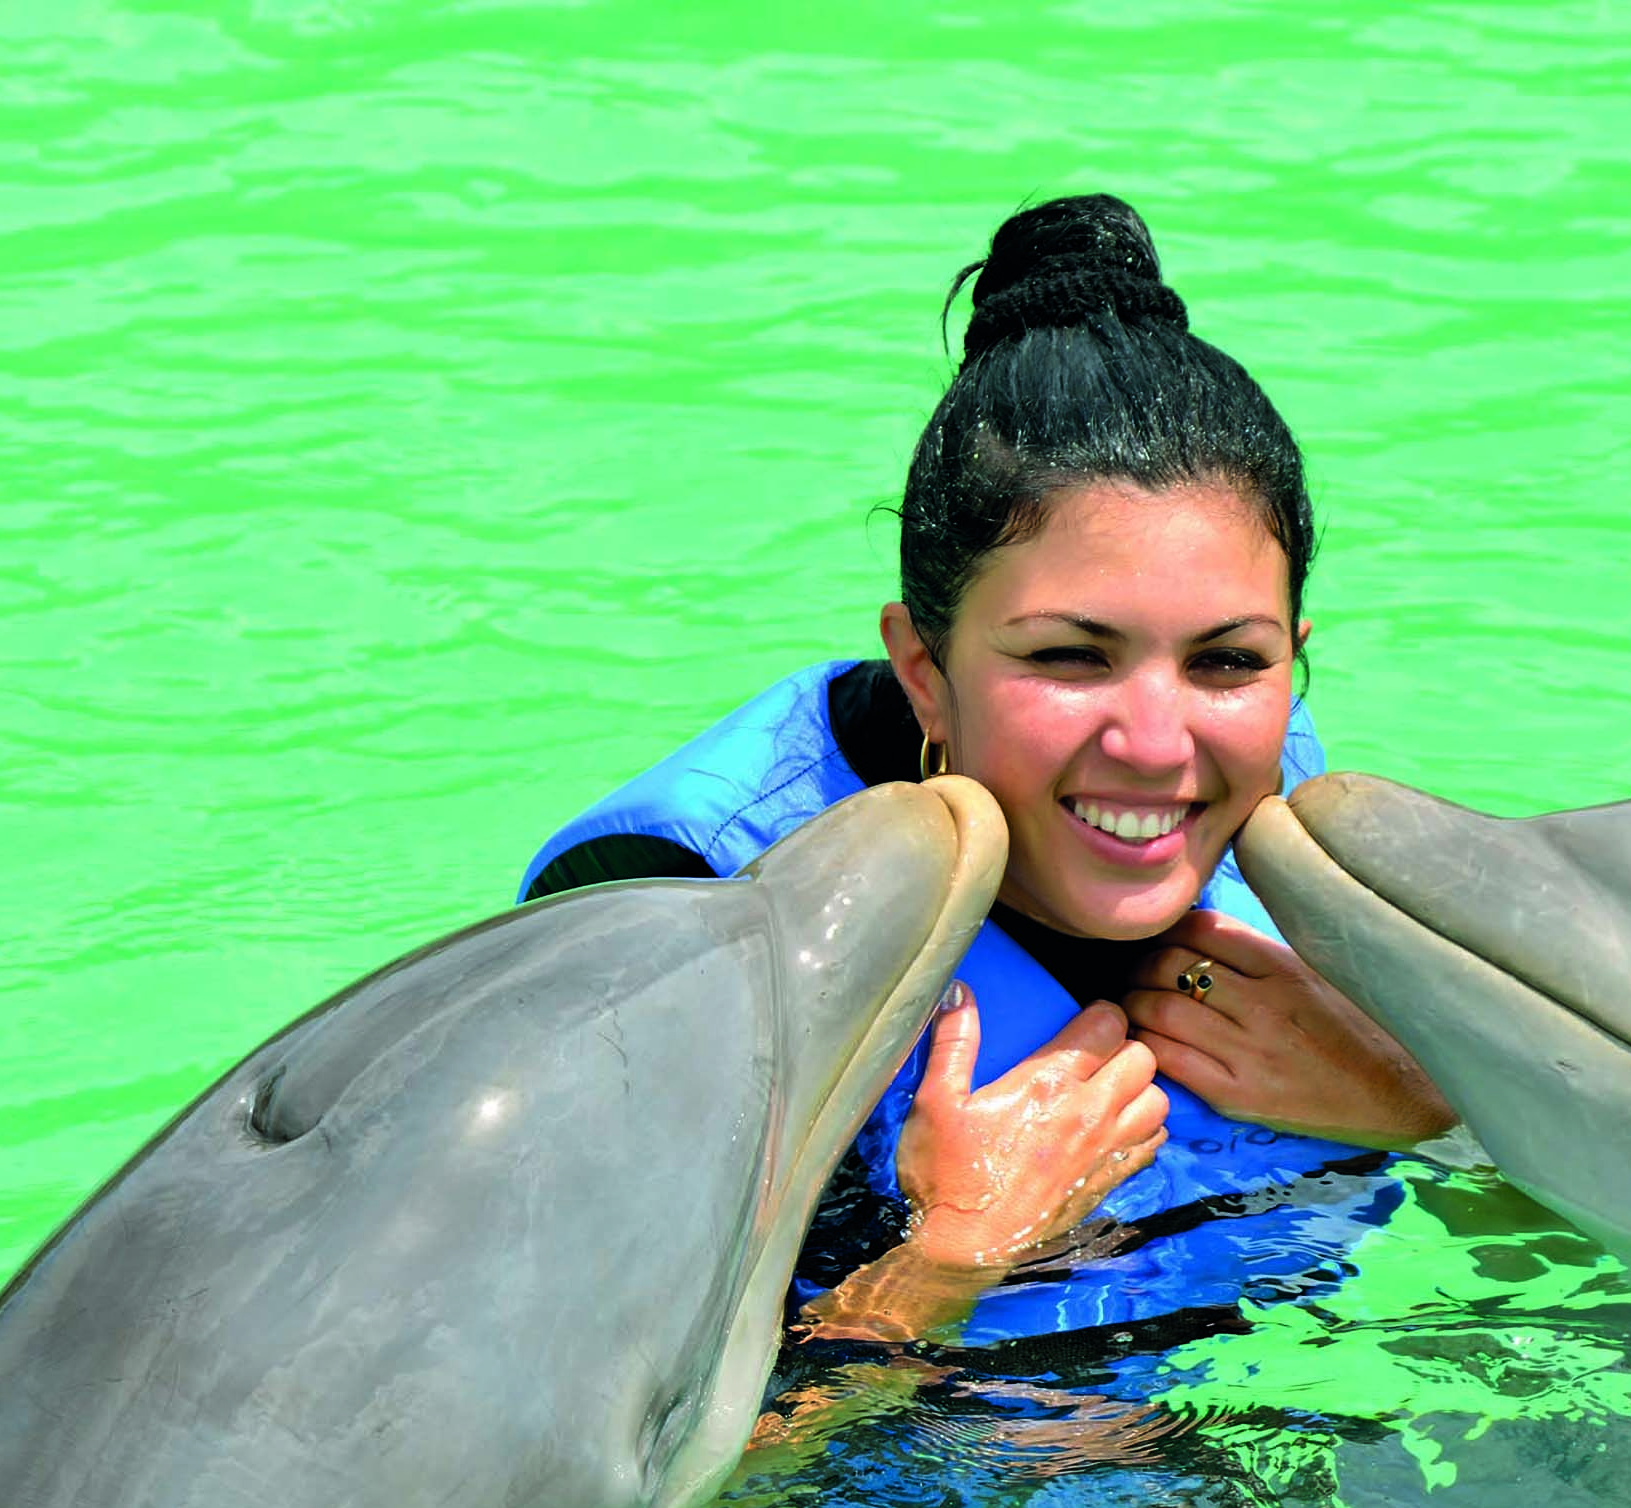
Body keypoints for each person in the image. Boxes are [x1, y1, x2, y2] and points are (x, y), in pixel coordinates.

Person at [518, 194, 1452, 1347]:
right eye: (1069, 656)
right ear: (922, 664)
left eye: (1226, 661)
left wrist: (1418, 1105)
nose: (1160, 746)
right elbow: (566, 1473)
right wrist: (947, 1257)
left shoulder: (1296, 831)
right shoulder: (672, 915)